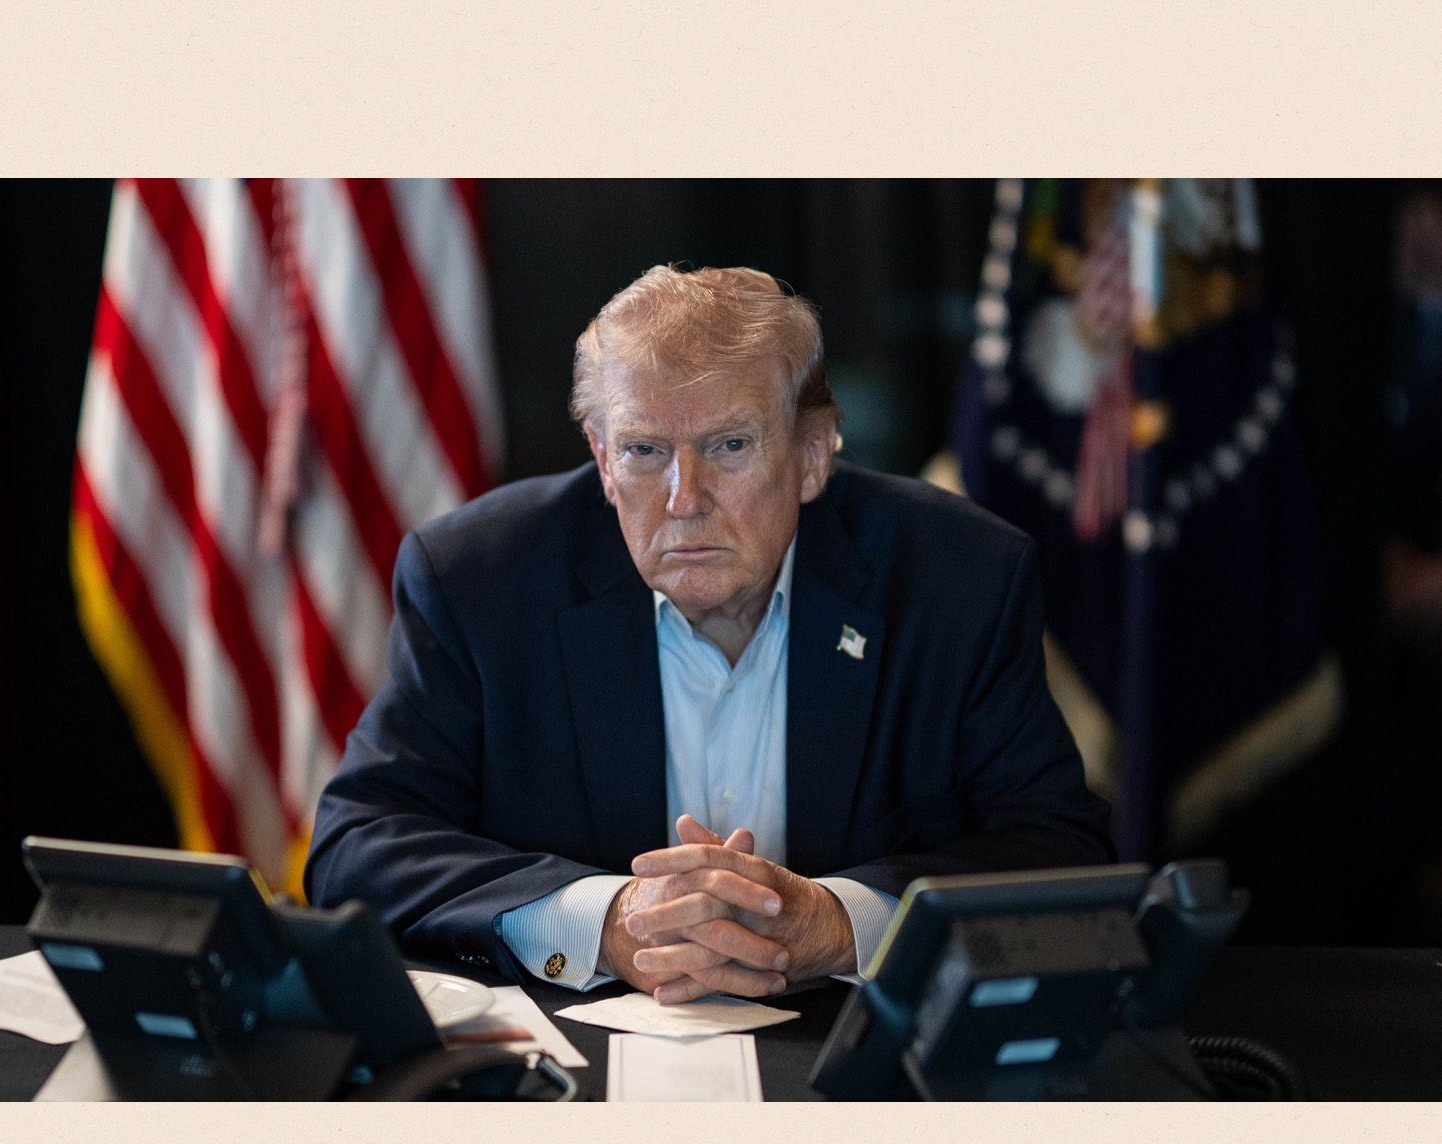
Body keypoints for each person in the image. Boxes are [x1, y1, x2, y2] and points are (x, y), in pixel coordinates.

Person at [307, 265, 1114, 1004]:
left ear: (813, 453)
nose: (682, 497)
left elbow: (1059, 851)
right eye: (643, 450)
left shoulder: (959, 577)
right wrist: (607, 920)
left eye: (729, 446)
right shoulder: (478, 577)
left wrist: (841, 921)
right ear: (599, 457)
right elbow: (358, 844)